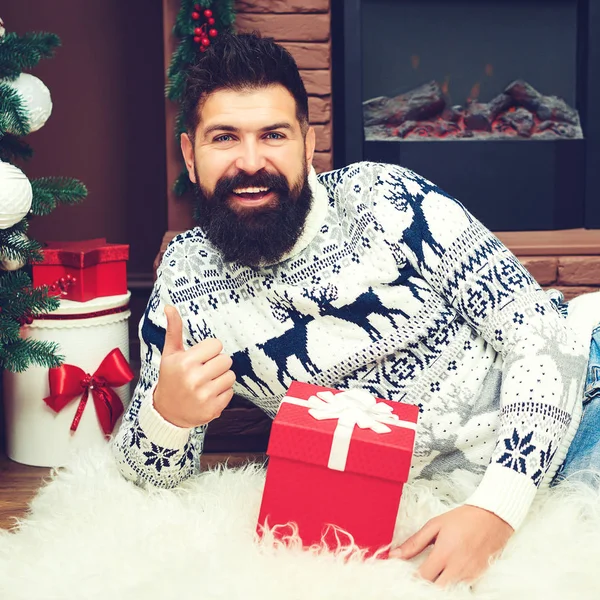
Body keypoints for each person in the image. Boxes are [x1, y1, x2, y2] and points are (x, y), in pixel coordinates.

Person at [112, 32, 596, 587]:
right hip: (427, 488)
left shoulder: (386, 199)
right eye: (224, 137)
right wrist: (168, 416)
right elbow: (144, 479)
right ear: (189, 154)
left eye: (273, 135)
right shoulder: (184, 281)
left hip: (580, 396)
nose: (250, 162)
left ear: (308, 143)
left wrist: (496, 509)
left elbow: (539, 332)